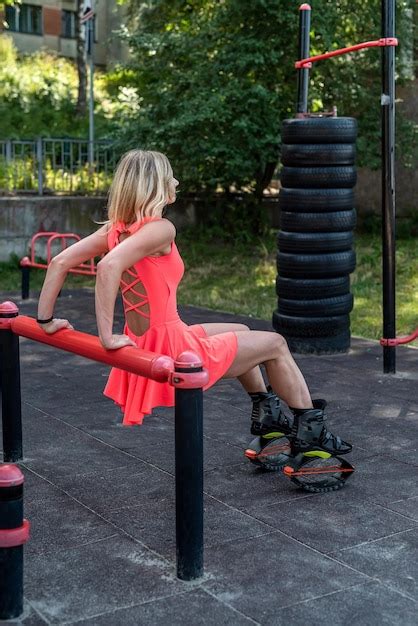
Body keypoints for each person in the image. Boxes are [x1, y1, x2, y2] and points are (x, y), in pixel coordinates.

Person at [36, 149, 351, 465]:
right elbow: (107, 268)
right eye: (170, 175)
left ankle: (269, 418)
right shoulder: (161, 229)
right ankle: (312, 432)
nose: (176, 180)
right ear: (157, 185)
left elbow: (60, 261)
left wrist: (45, 319)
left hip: (156, 337)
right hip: (174, 347)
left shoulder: (116, 229)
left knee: (241, 332)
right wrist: (106, 337)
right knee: (276, 344)